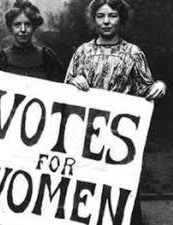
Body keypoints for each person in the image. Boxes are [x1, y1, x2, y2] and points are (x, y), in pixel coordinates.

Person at [64, 0, 167, 224]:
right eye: (101, 16)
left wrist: (159, 86)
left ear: (121, 18)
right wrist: (74, 81)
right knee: (86, 197)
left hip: (119, 141)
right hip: (87, 140)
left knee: (121, 200)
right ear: (94, 19)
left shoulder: (133, 53)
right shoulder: (83, 52)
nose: (107, 21)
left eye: (112, 15)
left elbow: (146, 89)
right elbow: (64, 93)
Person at [0, 0, 64, 114]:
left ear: (34, 27)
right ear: (11, 28)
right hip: (8, 127)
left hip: (41, 126)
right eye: (17, 25)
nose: (23, 30)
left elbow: (63, 97)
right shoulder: (1, 58)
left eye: (27, 24)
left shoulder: (47, 57)